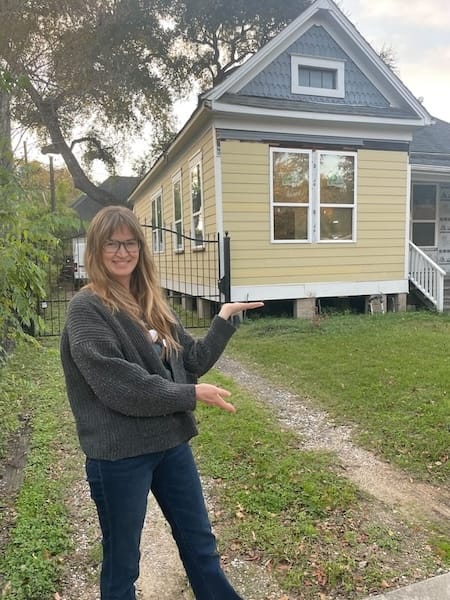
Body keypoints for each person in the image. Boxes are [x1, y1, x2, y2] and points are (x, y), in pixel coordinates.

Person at [60, 205, 263, 600]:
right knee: (123, 562)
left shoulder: (151, 302)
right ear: (96, 250)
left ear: (141, 247)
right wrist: (189, 394)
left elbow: (194, 361)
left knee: (201, 546)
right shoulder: (86, 309)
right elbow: (121, 385)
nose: (122, 252)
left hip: (171, 446)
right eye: (112, 244)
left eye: (130, 242)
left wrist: (222, 320)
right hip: (119, 456)